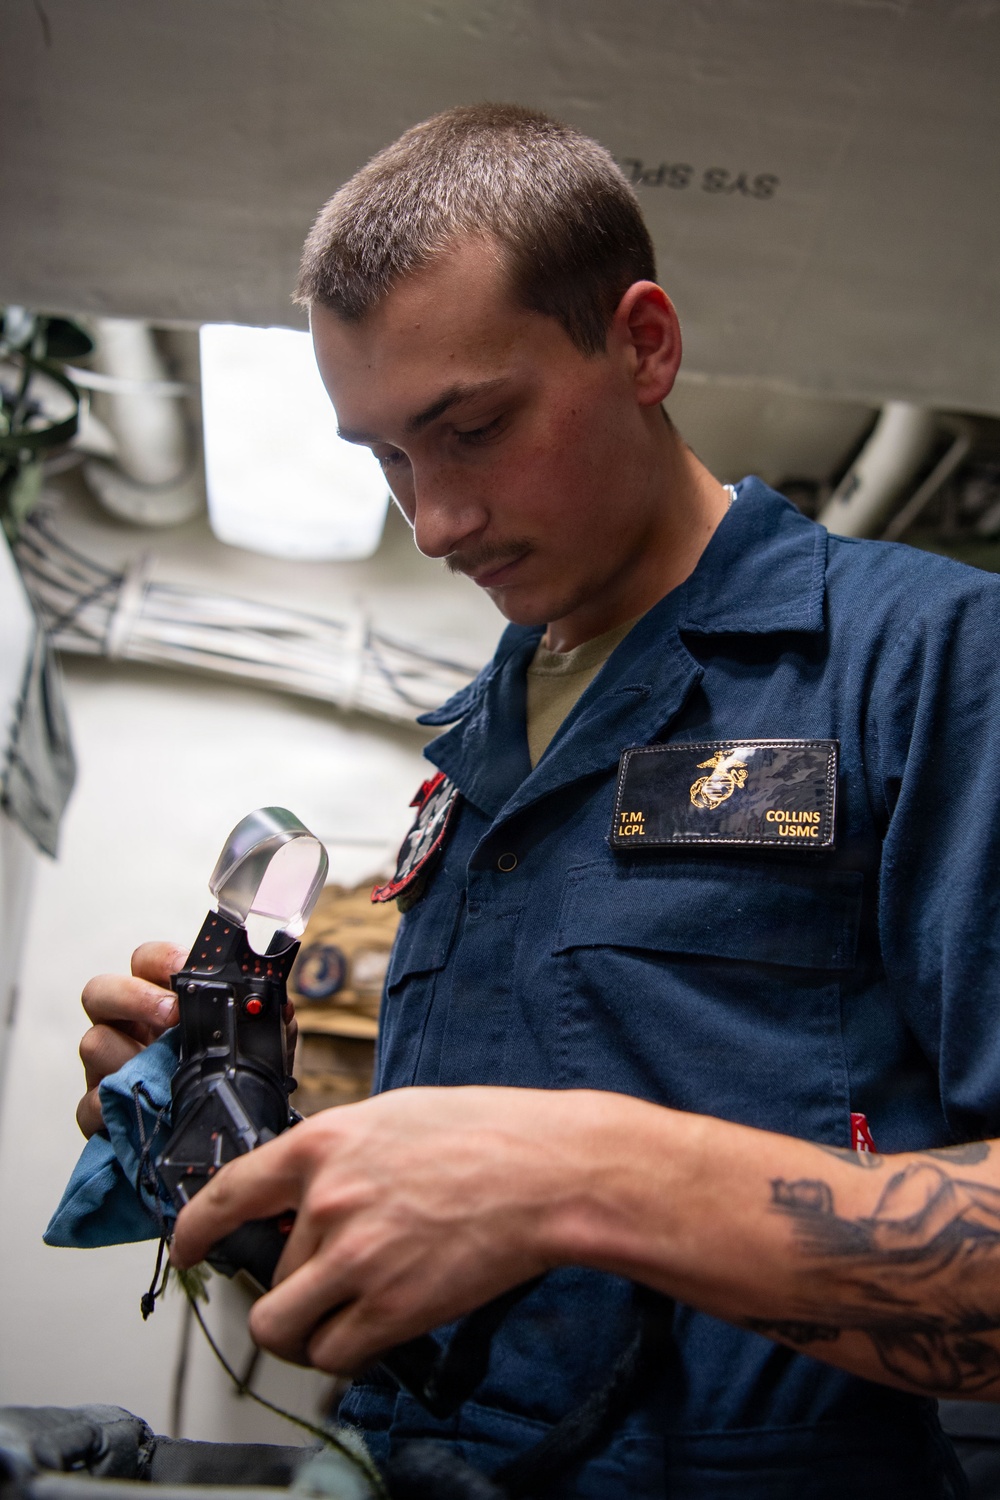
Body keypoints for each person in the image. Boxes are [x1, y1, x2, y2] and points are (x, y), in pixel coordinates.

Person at [78, 105, 1000, 1497]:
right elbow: (481, 1263)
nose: (435, 519)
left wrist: (582, 1174)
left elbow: (549, 1182)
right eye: (386, 459)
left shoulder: (923, 661)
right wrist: (235, 1162)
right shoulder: (471, 765)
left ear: (643, 342)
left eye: (474, 428)